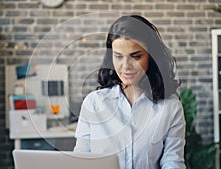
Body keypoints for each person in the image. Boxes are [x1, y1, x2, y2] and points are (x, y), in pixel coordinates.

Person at [74, 15, 186, 169]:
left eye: (136, 56)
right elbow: (81, 159)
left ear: (151, 57)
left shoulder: (170, 106)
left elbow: (173, 161)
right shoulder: (93, 103)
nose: (126, 66)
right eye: (118, 56)